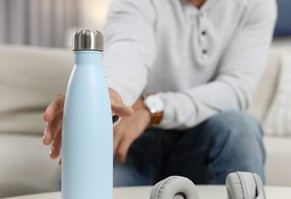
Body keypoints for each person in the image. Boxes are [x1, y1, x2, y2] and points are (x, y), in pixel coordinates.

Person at [43, 0, 277, 186]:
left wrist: (151, 107)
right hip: (131, 141)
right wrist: (105, 95)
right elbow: (129, 47)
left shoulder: (256, 4)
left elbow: (235, 89)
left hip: (202, 138)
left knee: (240, 127)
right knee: (82, 179)